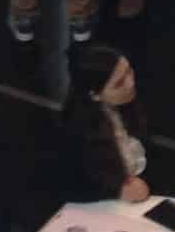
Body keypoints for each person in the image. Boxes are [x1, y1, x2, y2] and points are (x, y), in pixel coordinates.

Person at [54, 39, 152, 205]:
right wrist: (117, 191)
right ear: (95, 95)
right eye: (119, 83)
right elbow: (68, 187)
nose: (131, 83)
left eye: (129, 71)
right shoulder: (78, 133)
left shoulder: (129, 102)